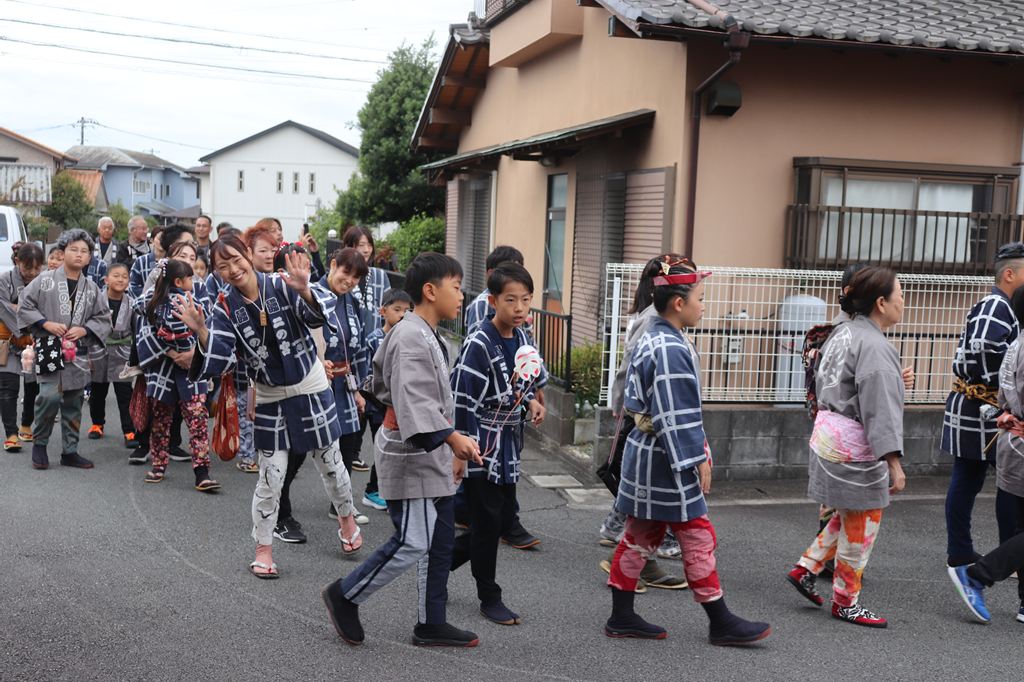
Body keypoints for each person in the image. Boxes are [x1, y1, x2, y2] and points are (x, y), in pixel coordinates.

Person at [175, 233, 362, 579]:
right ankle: (263, 549)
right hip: (270, 395)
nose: (233, 269)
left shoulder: (281, 283)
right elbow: (221, 357)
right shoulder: (223, 307)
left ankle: (347, 520)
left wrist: (305, 290)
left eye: (236, 259)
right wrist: (201, 330)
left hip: (310, 386)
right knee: (270, 476)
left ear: (248, 254)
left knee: (332, 465)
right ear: (215, 272)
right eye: (222, 266)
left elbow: (318, 317)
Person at [605, 258, 771, 646]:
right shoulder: (669, 346)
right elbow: (676, 414)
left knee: (640, 536)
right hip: (665, 458)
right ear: (678, 303)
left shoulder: (657, 336)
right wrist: (697, 458)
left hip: (648, 452)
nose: (704, 306)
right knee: (697, 536)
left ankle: (622, 615)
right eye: (701, 298)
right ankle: (720, 621)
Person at [323, 252, 483, 648]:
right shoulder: (412, 334)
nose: (461, 296)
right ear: (430, 291)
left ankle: (432, 623)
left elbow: (402, 393)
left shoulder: (423, 331)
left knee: (439, 541)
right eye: (456, 287)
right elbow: (413, 399)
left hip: (428, 447)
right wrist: (452, 439)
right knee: (413, 540)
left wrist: (450, 446)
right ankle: (346, 594)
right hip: (412, 451)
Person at [785, 265, 908, 628]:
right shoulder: (875, 346)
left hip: (829, 436)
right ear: (881, 303)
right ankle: (846, 601)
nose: (903, 302)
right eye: (900, 295)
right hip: (855, 445)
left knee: (847, 513)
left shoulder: (843, 332)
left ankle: (807, 567)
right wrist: (893, 461)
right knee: (863, 522)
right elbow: (879, 408)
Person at [449, 262, 547, 626]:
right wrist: (461, 450)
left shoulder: (521, 338)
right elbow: (462, 398)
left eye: (526, 299)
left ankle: (439, 562)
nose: (519, 308)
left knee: (496, 519)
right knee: (489, 521)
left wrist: (531, 401)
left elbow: (522, 382)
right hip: (480, 442)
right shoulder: (479, 342)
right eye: (510, 299)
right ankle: (489, 596)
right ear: (492, 301)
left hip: (507, 442)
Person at [597, 254, 689, 590]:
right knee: (648, 491)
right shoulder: (652, 322)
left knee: (644, 494)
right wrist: (620, 403)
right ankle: (628, 561)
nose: (702, 302)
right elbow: (630, 367)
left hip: (653, 420)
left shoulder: (659, 321)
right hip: (648, 421)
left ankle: (631, 556)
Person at [942, 242, 1024, 568]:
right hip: (983, 405)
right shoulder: (996, 304)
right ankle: (999, 556)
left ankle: (968, 551)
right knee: (1001, 485)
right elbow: (985, 346)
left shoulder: (1002, 306)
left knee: (975, 480)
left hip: (982, 404)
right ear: (1009, 274)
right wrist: (1006, 383)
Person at [948, 285, 1024, 625]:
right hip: (1018, 439)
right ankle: (978, 574)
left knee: (1017, 521)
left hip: (1011, 438)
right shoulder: (1001, 320)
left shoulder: (1016, 345)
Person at [19, 229, 112, 470]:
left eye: (84, 251)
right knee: (48, 397)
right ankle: (40, 444)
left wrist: (85, 329)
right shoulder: (45, 280)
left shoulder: (91, 288)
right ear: (63, 252)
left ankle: (70, 451)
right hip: (49, 348)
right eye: (74, 249)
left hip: (77, 353)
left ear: (89, 257)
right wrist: (45, 323)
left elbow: (104, 317)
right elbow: (25, 305)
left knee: (74, 401)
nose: (79, 254)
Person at [138, 254, 218, 492]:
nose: (194, 280)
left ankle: (202, 472)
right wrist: (173, 353)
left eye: (192, 256)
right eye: (189, 276)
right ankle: (159, 464)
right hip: (163, 365)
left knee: (197, 418)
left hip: (192, 364)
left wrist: (193, 352)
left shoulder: (197, 293)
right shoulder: (152, 299)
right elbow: (145, 331)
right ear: (177, 280)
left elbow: (208, 327)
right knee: (160, 419)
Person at [361, 287, 412, 511]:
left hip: (396, 404)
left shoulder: (406, 338)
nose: (402, 315)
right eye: (397, 309)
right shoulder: (374, 339)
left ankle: (386, 490)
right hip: (376, 404)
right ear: (383, 311)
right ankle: (372, 491)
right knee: (381, 448)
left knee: (392, 449)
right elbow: (367, 375)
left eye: (407, 311)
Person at [87, 262, 138, 449]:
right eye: (116, 275)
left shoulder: (133, 303)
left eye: (124, 277)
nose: (120, 279)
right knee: (97, 391)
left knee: (125, 393)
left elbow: (136, 330)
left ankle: (129, 430)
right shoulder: (95, 301)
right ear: (106, 280)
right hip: (98, 349)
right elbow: (88, 327)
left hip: (123, 351)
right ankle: (97, 424)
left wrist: (135, 358)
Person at [0, 242, 43, 451]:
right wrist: (29, 315)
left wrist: (18, 308)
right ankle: (11, 434)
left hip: (34, 341)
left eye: (37, 268)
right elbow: (2, 307)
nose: (32, 273)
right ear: (17, 261)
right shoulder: (4, 280)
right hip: (7, 340)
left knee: (33, 386)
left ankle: (26, 425)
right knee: (8, 388)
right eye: (27, 268)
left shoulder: (45, 282)